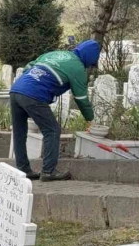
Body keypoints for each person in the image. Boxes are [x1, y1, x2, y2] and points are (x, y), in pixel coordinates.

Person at [10, 40, 101, 181]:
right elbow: (81, 98)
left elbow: (29, 65)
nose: (90, 66)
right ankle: (48, 171)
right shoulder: (77, 68)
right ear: (90, 58)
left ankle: (23, 169)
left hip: (16, 90)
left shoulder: (56, 54)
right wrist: (90, 118)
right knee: (52, 130)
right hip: (34, 95)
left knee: (19, 132)